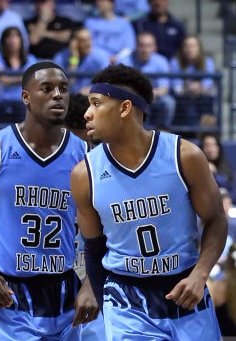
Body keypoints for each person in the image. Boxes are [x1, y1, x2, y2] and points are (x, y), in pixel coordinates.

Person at [72, 64, 226, 339]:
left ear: (125, 108)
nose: (87, 113)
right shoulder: (85, 174)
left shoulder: (184, 156)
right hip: (126, 298)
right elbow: (93, 250)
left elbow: (215, 221)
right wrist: (104, 307)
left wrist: (201, 274)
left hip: (185, 289)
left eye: (96, 103)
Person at [0, 62, 95, 340]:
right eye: (47, 88)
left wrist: (92, 283)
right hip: (7, 293)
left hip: (65, 290)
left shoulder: (86, 155)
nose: (58, 95)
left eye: (63, 88)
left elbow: (101, 228)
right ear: (26, 97)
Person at [120, 32, 176, 129]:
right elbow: (121, 86)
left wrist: (149, 94)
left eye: (149, 46)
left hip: (155, 97)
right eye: (142, 46)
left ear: (154, 47)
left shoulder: (161, 61)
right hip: (132, 98)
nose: (145, 50)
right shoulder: (125, 61)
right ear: (136, 46)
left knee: (169, 102)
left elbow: (164, 88)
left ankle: (163, 131)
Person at [0, 26, 38, 122]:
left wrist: (13, 79)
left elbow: (35, 79)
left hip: (25, 101)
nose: (13, 40)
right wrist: (23, 78)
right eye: (9, 37)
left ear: (21, 40)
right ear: (3, 41)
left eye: (16, 37)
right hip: (3, 100)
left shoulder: (31, 59)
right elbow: (2, 79)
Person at [169, 36, 217, 126]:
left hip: (203, 96)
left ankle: (207, 133)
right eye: (186, 46)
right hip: (184, 97)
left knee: (208, 101)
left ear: (199, 48)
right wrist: (188, 88)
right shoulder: (175, 62)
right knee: (188, 108)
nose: (190, 49)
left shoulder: (207, 61)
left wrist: (199, 87)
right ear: (182, 48)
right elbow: (175, 85)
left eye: (193, 46)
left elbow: (209, 82)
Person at [53, 28, 111, 92]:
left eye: (89, 39)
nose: (88, 44)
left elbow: (107, 83)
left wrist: (91, 90)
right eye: (83, 41)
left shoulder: (100, 56)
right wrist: (74, 58)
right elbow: (63, 86)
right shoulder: (61, 57)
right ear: (74, 43)